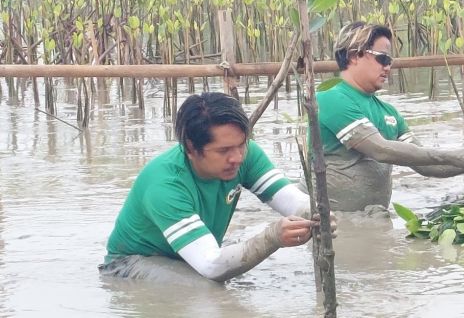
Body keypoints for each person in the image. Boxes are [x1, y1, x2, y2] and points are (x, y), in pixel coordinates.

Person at [100, 92, 334, 282]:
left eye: (241, 145)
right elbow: (212, 266)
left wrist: (316, 213)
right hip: (133, 262)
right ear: (191, 148)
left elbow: (290, 199)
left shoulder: (246, 154)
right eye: (223, 151)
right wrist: (272, 237)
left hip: (188, 255)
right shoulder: (165, 184)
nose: (237, 158)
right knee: (207, 293)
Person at [315, 21, 464, 212]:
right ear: (354, 55)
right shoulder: (330, 97)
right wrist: (451, 156)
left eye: (389, 61)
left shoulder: (389, 113)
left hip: (375, 221)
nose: (388, 67)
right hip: (336, 225)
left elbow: (425, 166)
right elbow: (380, 150)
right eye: (382, 59)